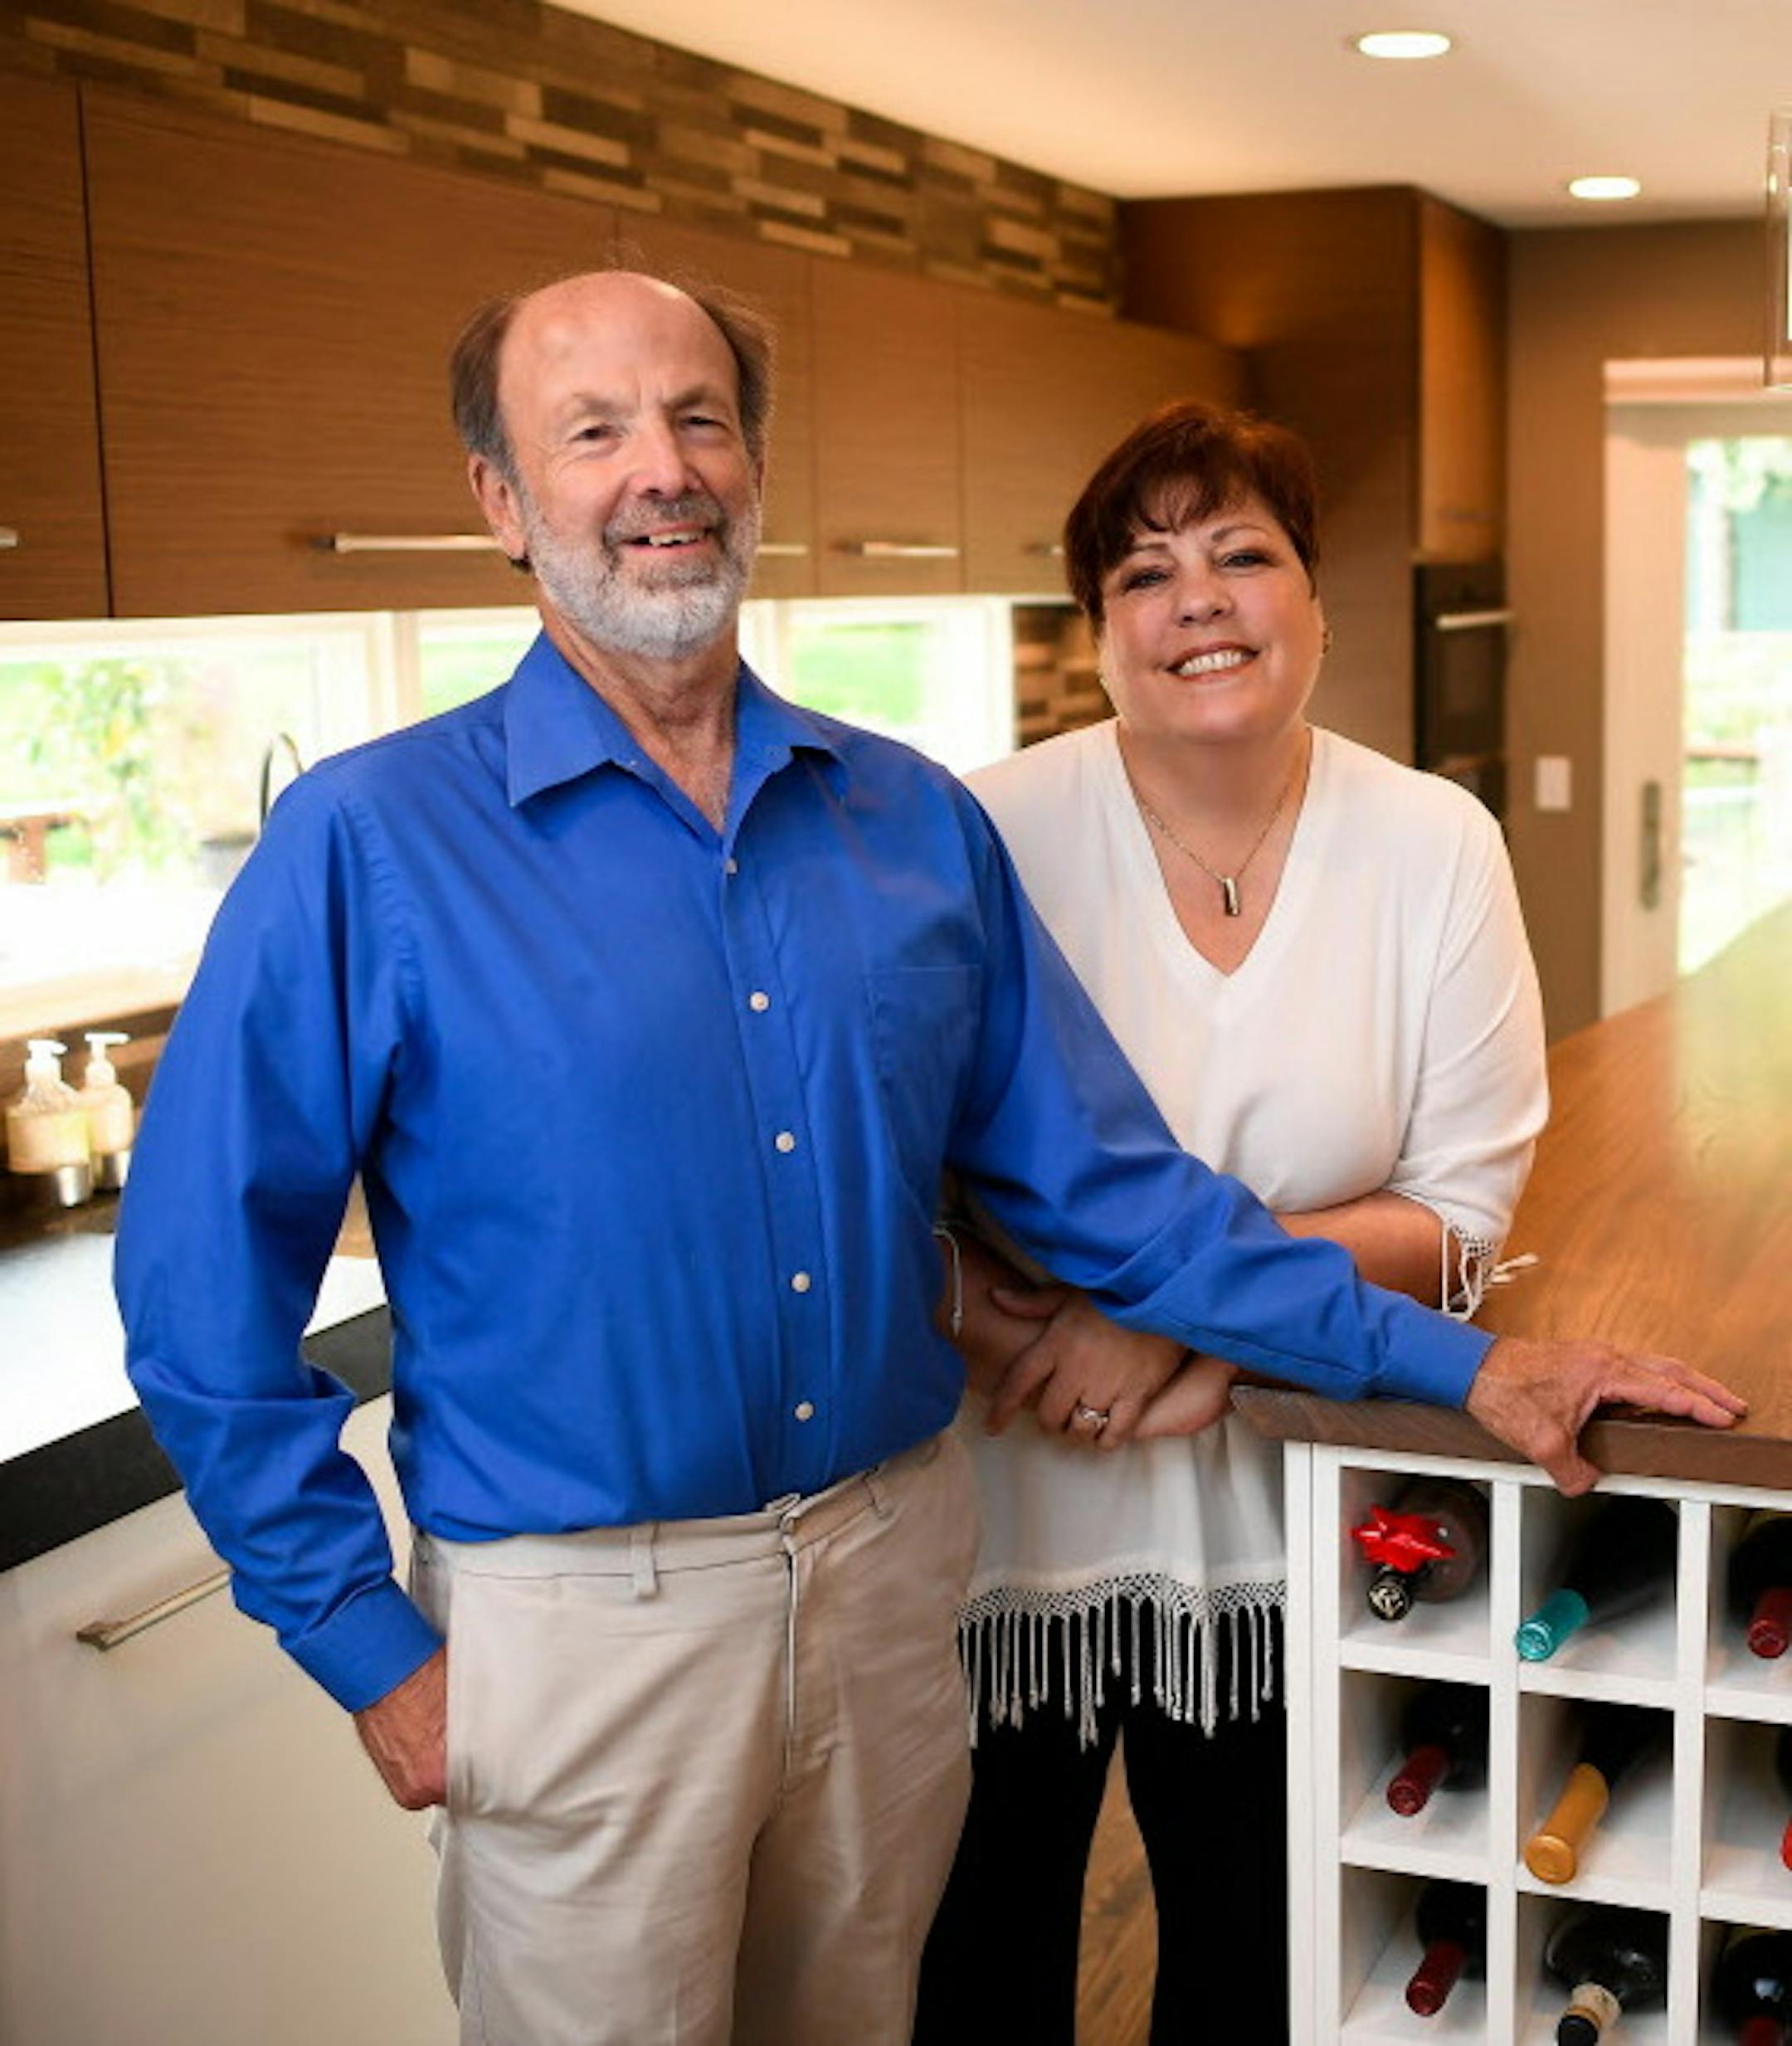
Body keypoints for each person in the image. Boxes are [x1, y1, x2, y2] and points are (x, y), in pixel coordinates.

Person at [114, 272, 1741, 2046]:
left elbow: (1121, 1204)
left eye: (700, 418)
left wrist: (1481, 1365)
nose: (661, 468)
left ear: (754, 466)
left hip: (901, 1588)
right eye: (592, 431)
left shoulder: (902, 824)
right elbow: (204, 1304)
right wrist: (370, 1647)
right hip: (586, 1627)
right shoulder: (364, 844)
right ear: (503, 500)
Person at [915, 399, 1546, 2046]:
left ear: (1316, 603)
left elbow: (1465, 1212)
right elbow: (884, 1177)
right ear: (1100, 638)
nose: (1196, 599)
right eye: (1144, 573)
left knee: (1260, 1972)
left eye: (1240, 555)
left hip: (1299, 1514)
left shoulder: (1434, 848)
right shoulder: (973, 836)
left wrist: (1181, 1314)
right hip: (999, 1527)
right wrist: (1031, 1317)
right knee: (975, 1973)